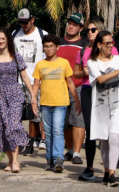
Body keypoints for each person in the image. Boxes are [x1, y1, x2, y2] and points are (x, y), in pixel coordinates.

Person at [0, 28, 37, 173]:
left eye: (3, 38)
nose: (1, 41)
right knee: (2, 128)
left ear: (8, 39)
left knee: (13, 125)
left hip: (15, 93)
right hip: (0, 95)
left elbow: (25, 77)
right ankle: (9, 160)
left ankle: (15, 161)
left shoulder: (17, 57)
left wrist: (32, 94)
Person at [89, 30, 119, 187]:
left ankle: (113, 173)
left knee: (115, 137)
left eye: (112, 43)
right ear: (99, 45)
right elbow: (101, 79)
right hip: (101, 106)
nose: (110, 45)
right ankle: (106, 171)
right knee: (104, 141)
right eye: (107, 43)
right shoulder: (93, 62)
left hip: (118, 105)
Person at [73, 17, 116, 182]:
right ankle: (89, 167)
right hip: (87, 90)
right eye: (88, 30)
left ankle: (108, 168)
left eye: (93, 30)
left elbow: (117, 68)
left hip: (105, 91)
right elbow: (75, 73)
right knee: (90, 130)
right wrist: (83, 73)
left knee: (107, 130)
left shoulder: (111, 49)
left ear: (99, 31)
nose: (89, 33)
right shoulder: (83, 51)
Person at [33, 34, 80, 173]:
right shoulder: (40, 64)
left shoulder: (64, 63)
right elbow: (36, 84)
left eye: (51, 46)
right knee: (47, 132)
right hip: (45, 103)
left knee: (57, 130)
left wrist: (76, 100)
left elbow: (70, 82)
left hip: (60, 102)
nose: (48, 49)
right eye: (46, 47)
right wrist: (33, 100)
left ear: (57, 47)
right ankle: (49, 159)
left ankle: (59, 158)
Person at [12, 8, 46, 153]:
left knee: (35, 113)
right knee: (17, 113)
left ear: (32, 20)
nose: (24, 26)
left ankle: (32, 141)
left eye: (26, 22)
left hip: (36, 80)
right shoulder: (15, 35)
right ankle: (20, 140)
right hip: (19, 80)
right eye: (21, 23)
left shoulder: (42, 35)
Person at [56, 12, 87, 164]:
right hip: (60, 87)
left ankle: (77, 152)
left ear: (81, 28)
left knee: (78, 120)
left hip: (78, 87)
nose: (71, 26)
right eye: (69, 23)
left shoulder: (85, 45)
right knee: (65, 123)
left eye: (74, 24)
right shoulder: (58, 43)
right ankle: (69, 149)